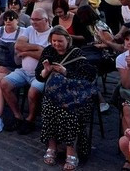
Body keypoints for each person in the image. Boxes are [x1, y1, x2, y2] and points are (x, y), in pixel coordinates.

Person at [37, 26, 97, 169]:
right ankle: (52, 146)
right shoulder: (48, 51)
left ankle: (71, 150)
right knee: (48, 107)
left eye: (60, 41)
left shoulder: (76, 53)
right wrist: (45, 71)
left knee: (70, 112)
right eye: (54, 41)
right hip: (54, 95)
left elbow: (88, 76)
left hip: (74, 96)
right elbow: (39, 76)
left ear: (67, 40)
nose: (56, 44)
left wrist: (66, 72)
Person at [0, 8, 52, 135]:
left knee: (33, 92)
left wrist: (26, 52)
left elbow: (46, 56)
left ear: (46, 20)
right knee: (4, 83)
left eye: (37, 20)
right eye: (32, 19)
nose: (33, 22)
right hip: (23, 71)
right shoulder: (29, 30)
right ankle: (18, 116)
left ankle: (30, 120)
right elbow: (18, 46)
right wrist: (38, 48)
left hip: (41, 74)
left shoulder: (52, 33)